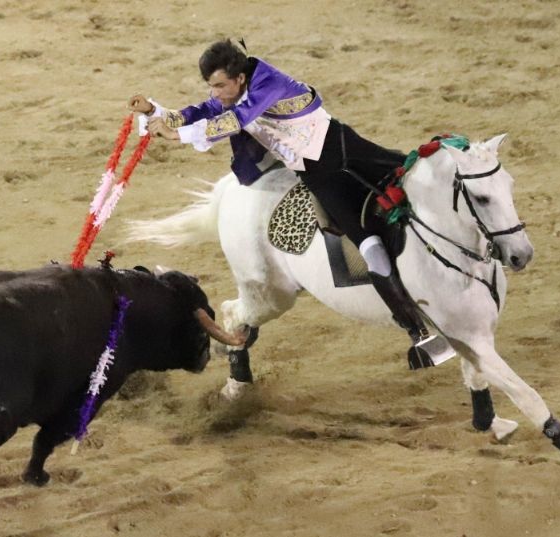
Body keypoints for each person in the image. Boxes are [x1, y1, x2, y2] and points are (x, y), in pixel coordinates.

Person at [128, 39, 436, 362]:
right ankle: (417, 329)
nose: (215, 93)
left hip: (345, 150)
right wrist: (154, 112)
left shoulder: (268, 83)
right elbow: (201, 112)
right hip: (317, 176)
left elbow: (234, 122)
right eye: (211, 86)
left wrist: (176, 135)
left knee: (414, 177)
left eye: (219, 85)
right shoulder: (232, 92)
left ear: (240, 79)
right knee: (367, 243)